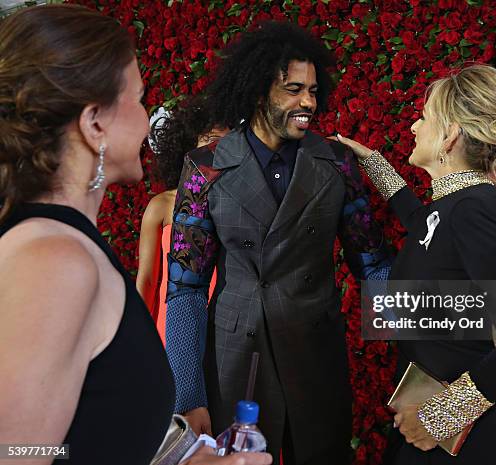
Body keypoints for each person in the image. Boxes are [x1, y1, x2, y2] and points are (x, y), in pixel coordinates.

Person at [0, 5, 271, 465]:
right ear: (94, 122)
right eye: (140, 98)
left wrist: (181, 457)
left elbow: (84, 433)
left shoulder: (63, 246)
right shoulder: (54, 260)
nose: (149, 121)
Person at [166, 21, 390, 465]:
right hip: (234, 359)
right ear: (256, 92)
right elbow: (186, 287)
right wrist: (188, 392)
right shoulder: (205, 167)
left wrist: (428, 355)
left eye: (311, 89)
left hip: (316, 357)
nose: (309, 101)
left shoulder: (336, 163)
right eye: (293, 89)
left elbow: (374, 265)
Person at [335, 65, 496, 465]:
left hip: (468, 444)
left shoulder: (475, 210)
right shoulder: (453, 207)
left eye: (424, 117)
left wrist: (441, 418)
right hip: (431, 436)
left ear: (449, 136)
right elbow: (422, 224)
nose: (414, 126)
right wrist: (373, 162)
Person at [136, 97, 228, 342]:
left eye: (225, 142)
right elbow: (146, 279)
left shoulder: (237, 205)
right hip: (171, 327)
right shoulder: (162, 205)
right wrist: (137, 339)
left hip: (225, 330)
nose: (216, 148)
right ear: (189, 146)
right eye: (209, 139)